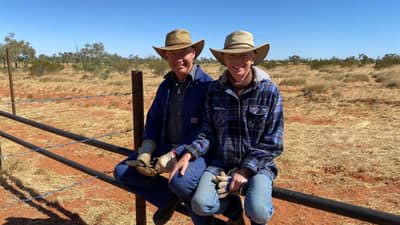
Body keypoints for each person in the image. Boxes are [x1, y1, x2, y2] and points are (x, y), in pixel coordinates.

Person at [170, 30, 284, 225]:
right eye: (231, 55)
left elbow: (273, 141)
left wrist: (245, 171)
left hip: (258, 166)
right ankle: (233, 209)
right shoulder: (215, 90)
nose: (237, 61)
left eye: (244, 55)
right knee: (200, 204)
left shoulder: (269, 91)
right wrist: (189, 154)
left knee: (259, 211)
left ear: (253, 57)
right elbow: (208, 132)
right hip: (221, 162)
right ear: (224, 58)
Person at [113, 29, 213, 225]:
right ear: (166, 56)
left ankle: (201, 218)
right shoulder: (165, 86)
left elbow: (207, 131)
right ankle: (168, 199)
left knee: (181, 183)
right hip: (164, 147)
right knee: (122, 172)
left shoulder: (208, 86)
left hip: (194, 152)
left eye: (183, 52)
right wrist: (147, 150)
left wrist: (175, 154)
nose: (178, 59)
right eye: (173, 53)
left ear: (193, 53)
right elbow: (153, 120)